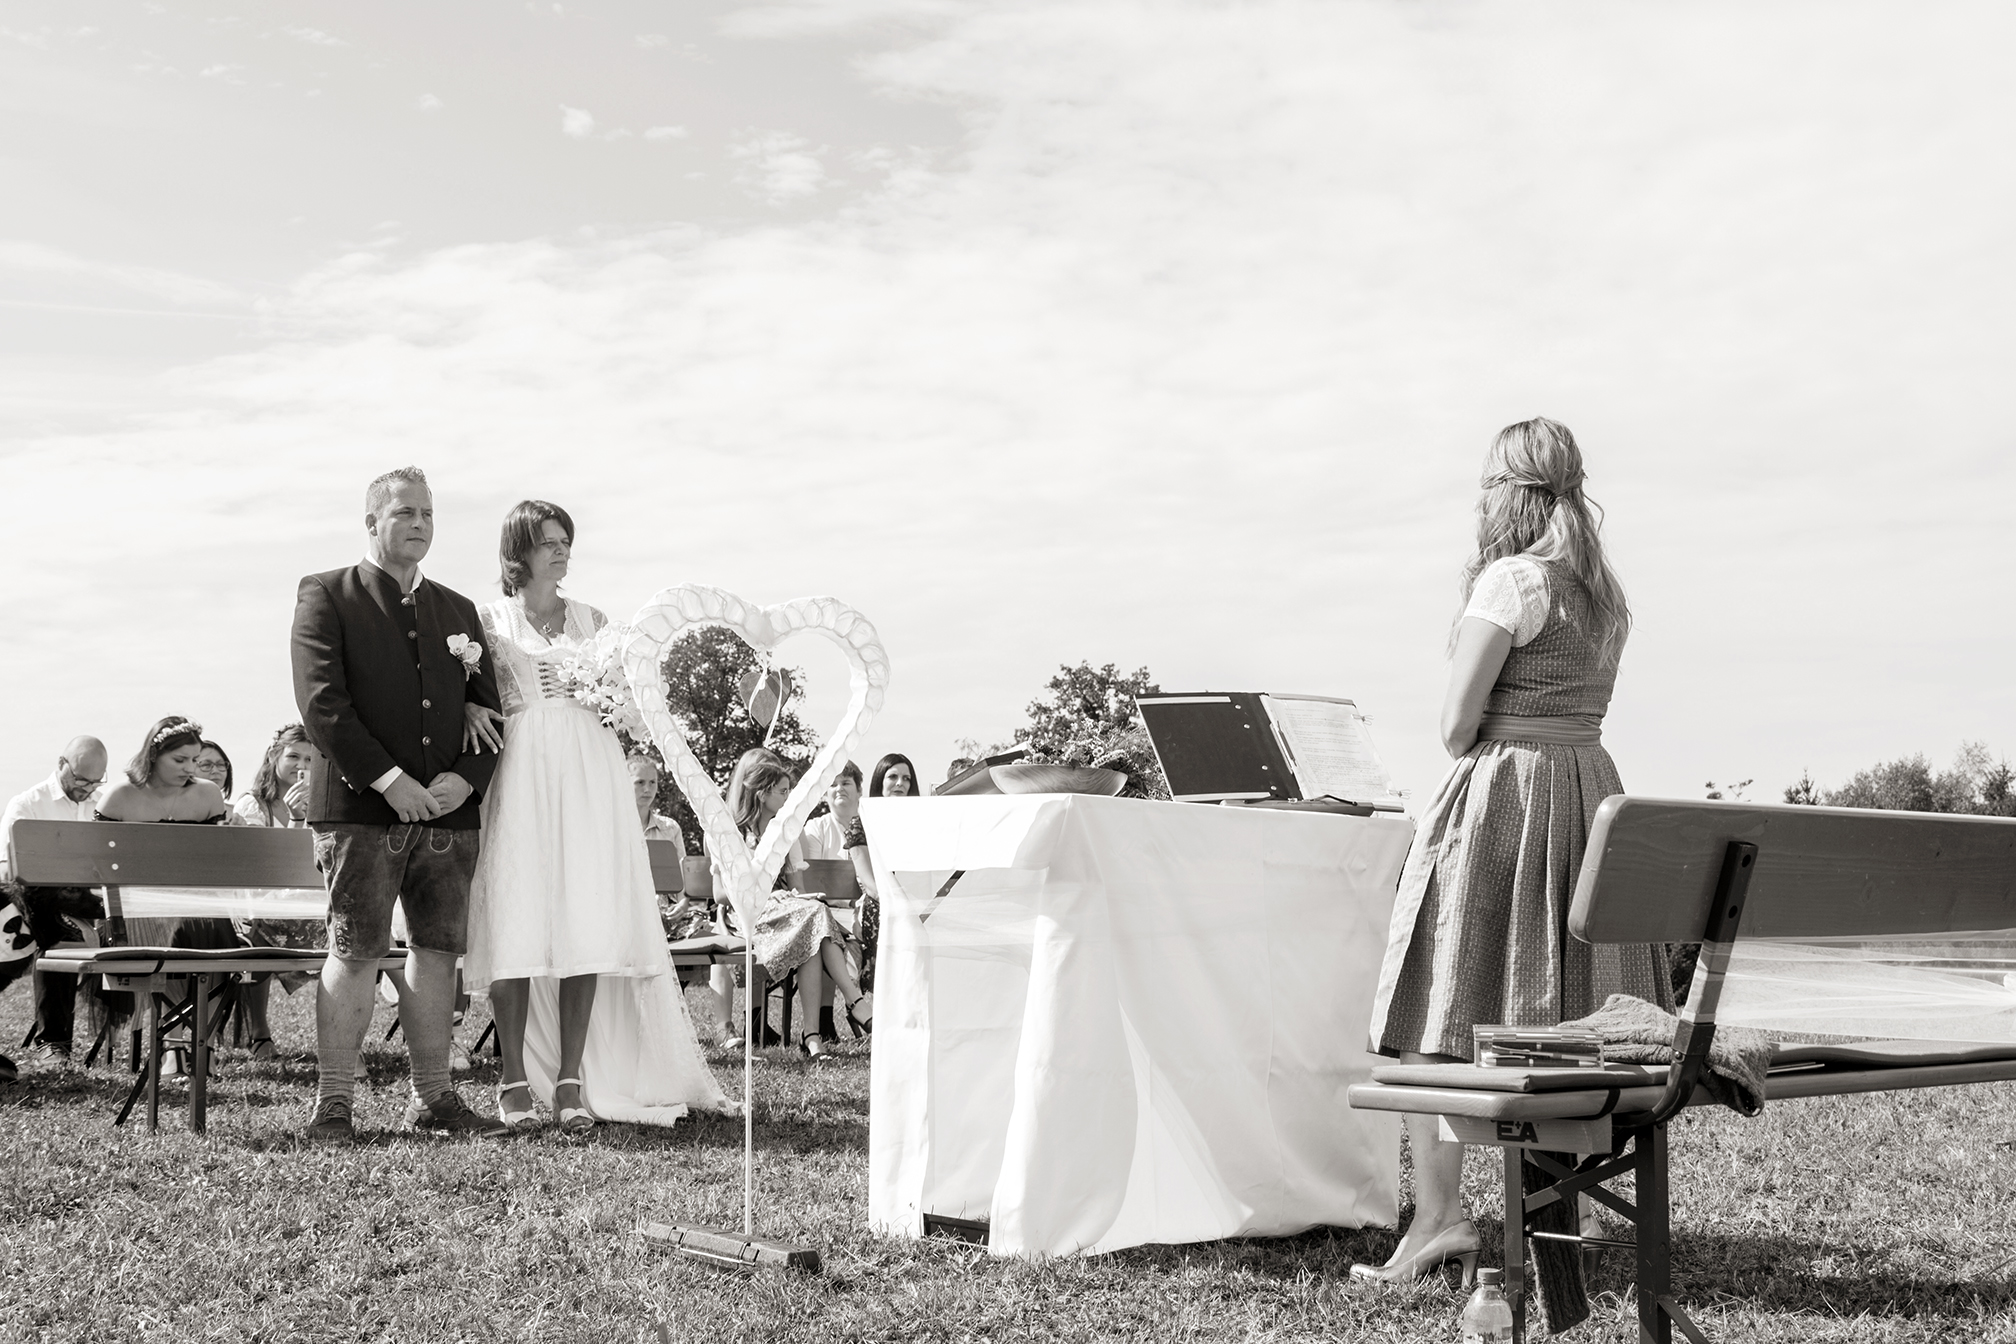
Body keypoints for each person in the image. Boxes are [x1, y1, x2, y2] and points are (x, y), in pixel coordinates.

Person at [1352, 418, 1673, 1284]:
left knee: (1439, 1003)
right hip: (1587, 792)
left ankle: (1438, 1221)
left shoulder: (1512, 579)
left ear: (1506, 493)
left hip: (1507, 797)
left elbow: (1457, 728)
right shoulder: (1604, 599)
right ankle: (1577, 1210)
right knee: (1567, 998)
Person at [464, 499, 728, 1132]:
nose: (562, 551)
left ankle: (572, 1078)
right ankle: (512, 1077)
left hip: (589, 769)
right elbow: (466, 693)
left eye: (566, 541)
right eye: (548, 542)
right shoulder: (487, 620)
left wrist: (621, 703)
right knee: (516, 912)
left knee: (584, 913)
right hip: (521, 767)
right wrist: (470, 707)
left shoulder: (596, 621)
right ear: (518, 551)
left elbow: (621, 698)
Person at [291, 465, 509, 1142]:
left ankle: (433, 1097)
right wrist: (390, 781)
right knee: (355, 949)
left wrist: (466, 781)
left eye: (428, 514)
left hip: (448, 812)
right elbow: (322, 704)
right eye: (405, 513)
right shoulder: (326, 593)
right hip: (361, 808)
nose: (419, 524)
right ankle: (334, 1103)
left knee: (438, 950)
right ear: (371, 522)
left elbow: (490, 711)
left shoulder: (459, 610)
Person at [95, 718, 238, 1076]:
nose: (189, 768)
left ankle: (200, 1043)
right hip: (135, 905)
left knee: (209, 928)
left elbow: (215, 863)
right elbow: (98, 865)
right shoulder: (120, 796)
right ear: (153, 755)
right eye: (180, 760)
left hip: (195, 901)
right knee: (174, 927)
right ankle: (174, 1046)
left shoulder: (207, 794)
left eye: (195, 760)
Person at [715, 748, 872, 1059]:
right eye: (783, 791)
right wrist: (769, 895)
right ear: (761, 793)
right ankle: (849, 1007)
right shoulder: (730, 832)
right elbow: (719, 894)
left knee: (813, 920)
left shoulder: (785, 833)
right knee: (814, 921)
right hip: (747, 916)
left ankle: (814, 1034)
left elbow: (797, 888)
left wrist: (800, 898)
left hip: (786, 913)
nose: (789, 798)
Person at [0, 736, 108, 1065]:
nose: (88, 788)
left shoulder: (104, 807)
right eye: (81, 779)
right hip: (40, 905)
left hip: (95, 901)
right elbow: (10, 869)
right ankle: (54, 1042)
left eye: (96, 782)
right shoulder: (27, 804)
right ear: (61, 764)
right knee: (58, 934)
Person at [230, 725, 326, 1059]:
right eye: (294, 756)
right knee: (260, 935)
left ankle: (427, 1030)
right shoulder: (254, 805)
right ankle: (259, 1032)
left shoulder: (325, 802)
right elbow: (268, 870)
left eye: (311, 759)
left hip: (310, 905)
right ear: (274, 756)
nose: (302, 765)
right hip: (262, 908)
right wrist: (297, 820)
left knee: (365, 932)